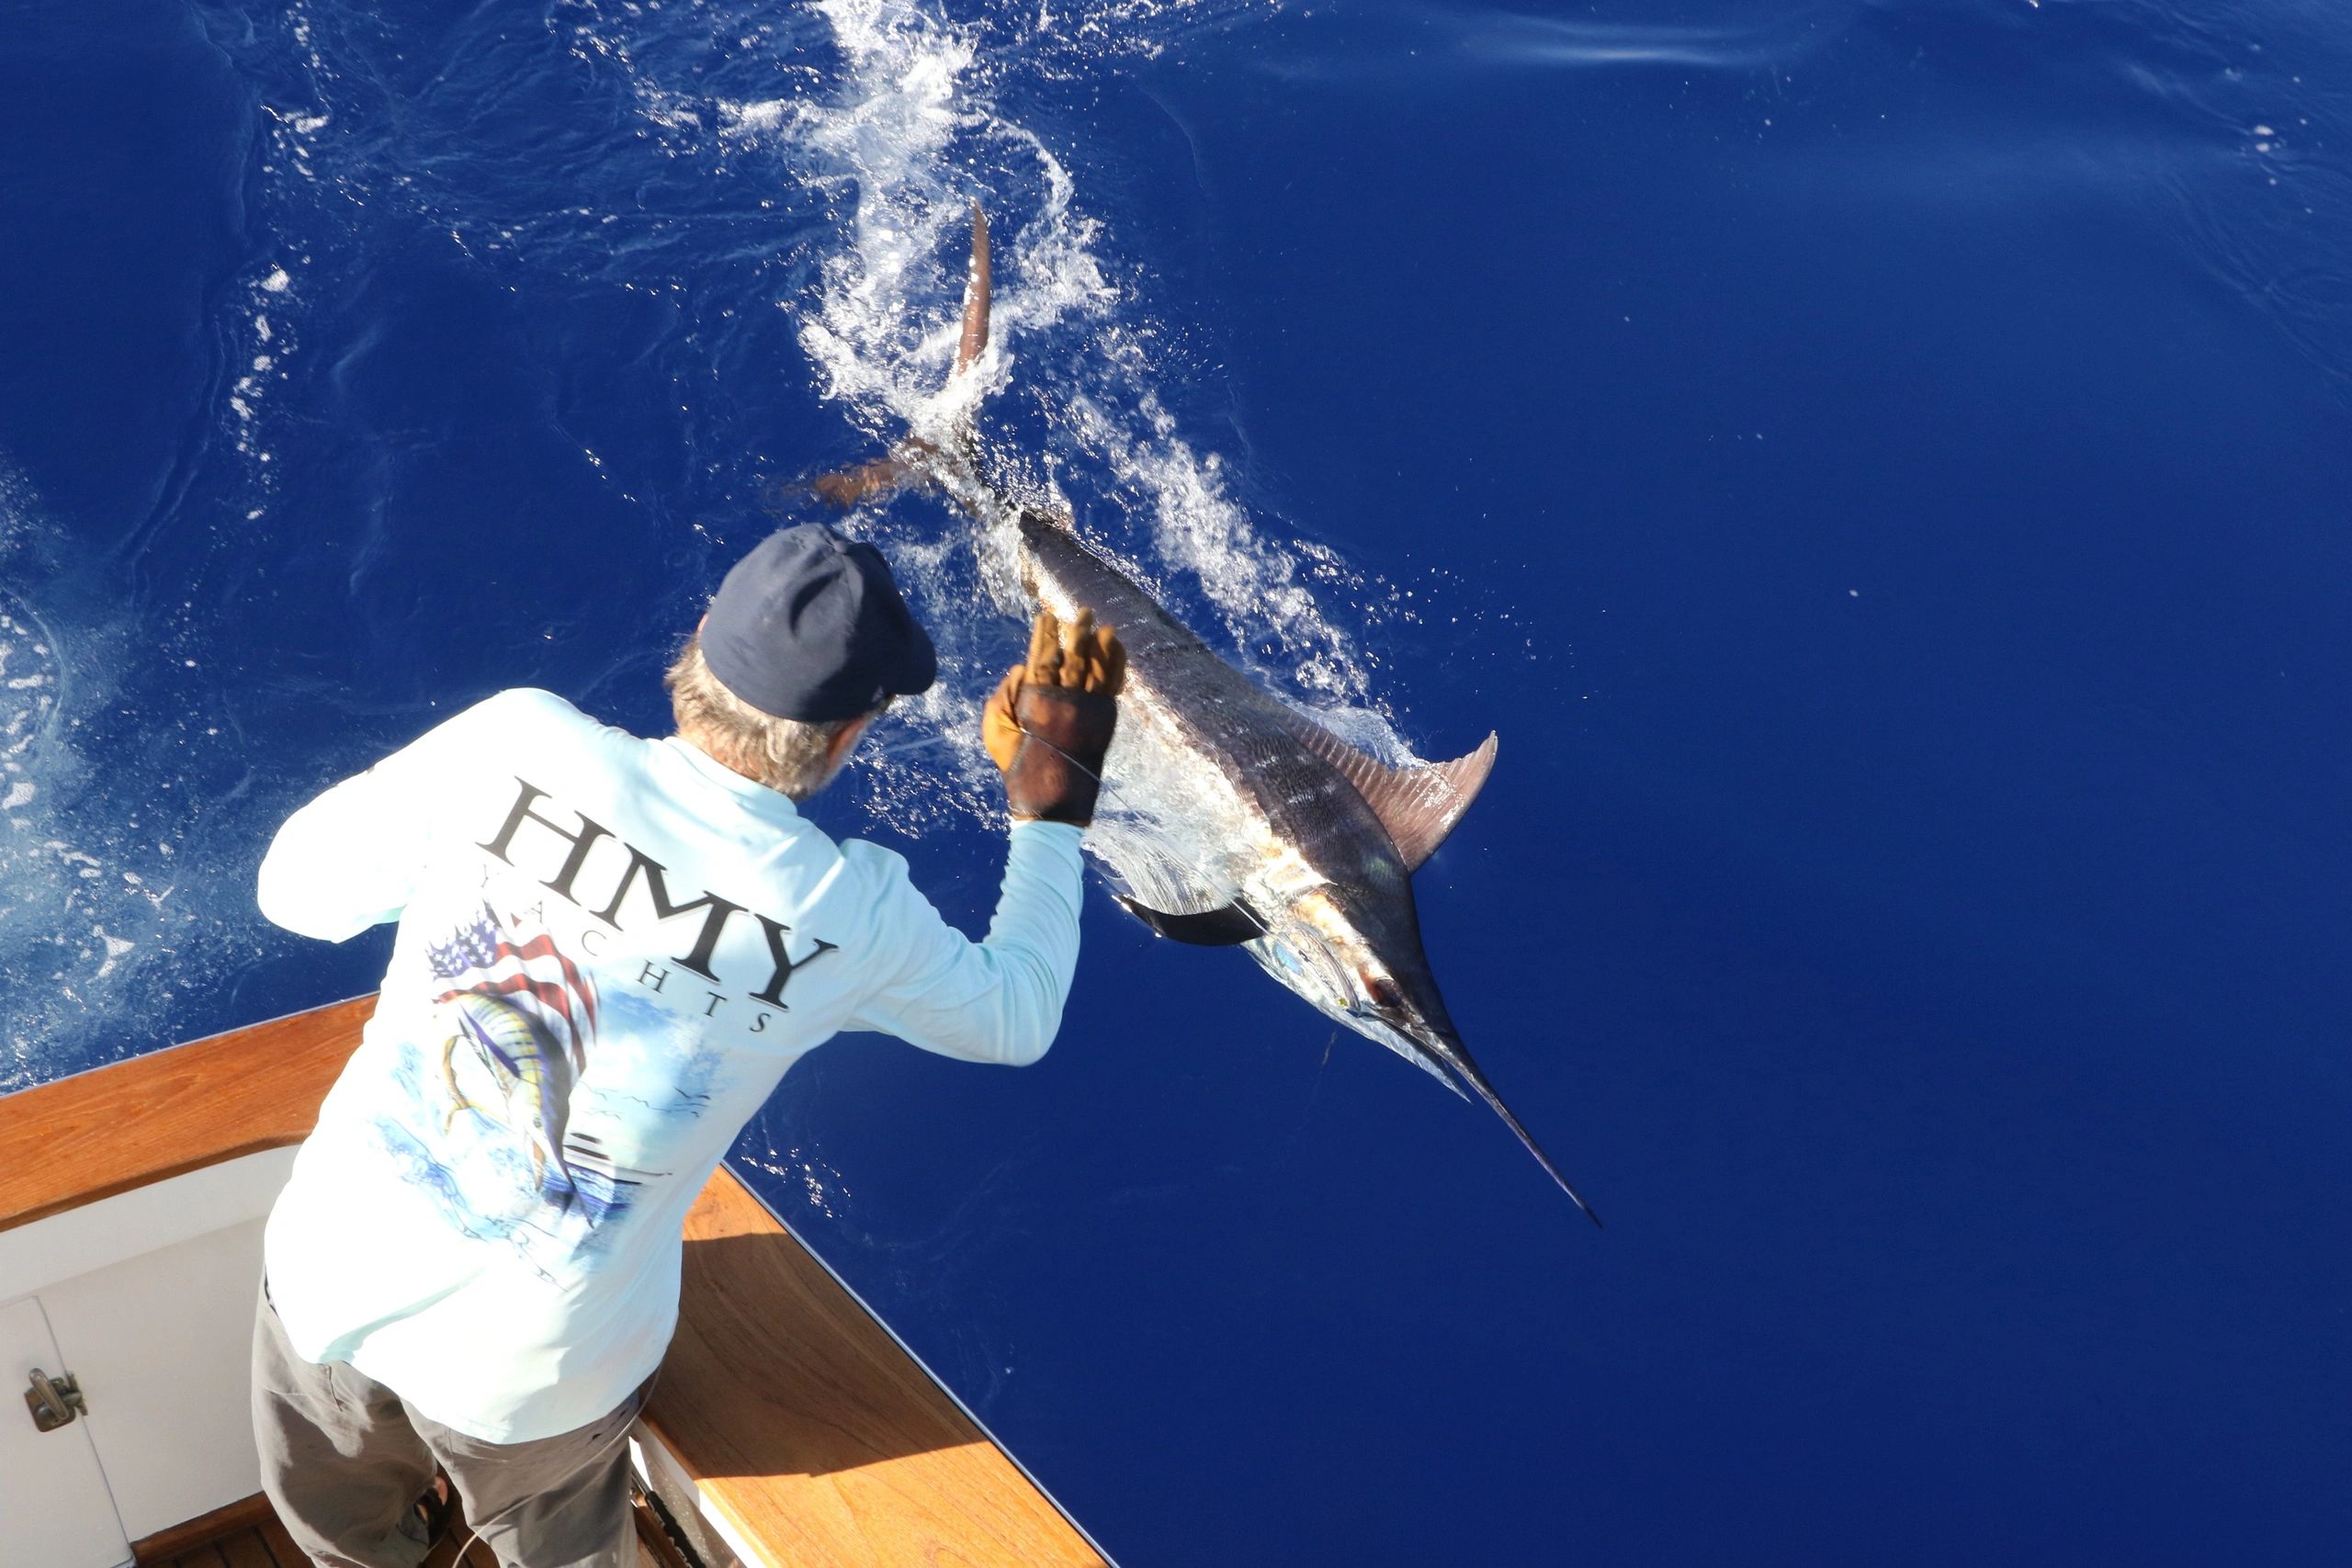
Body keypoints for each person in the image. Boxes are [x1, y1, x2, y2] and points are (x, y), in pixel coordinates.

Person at [247, 523, 1126, 1568]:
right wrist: (1051, 806)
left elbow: (292, 895)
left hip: (325, 1277)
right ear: (849, 736)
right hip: (534, 1382)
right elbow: (1017, 1016)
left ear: (700, 640)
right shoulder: (846, 909)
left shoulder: (517, 741)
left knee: (340, 1538)